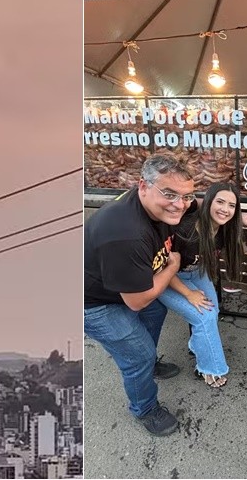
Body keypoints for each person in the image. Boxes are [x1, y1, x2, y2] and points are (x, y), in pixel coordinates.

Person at [84, 153, 194, 436]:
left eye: (187, 196)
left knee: (157, 312)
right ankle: (144, 408)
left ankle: (146, 364)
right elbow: (138, 300)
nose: (179, 204)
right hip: (93, 302)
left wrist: (238, 215)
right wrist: (173, 266)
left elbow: (191, 204)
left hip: (119, 286)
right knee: (138, 354)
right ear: (142, 186)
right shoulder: (126, 232)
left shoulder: (162, 206)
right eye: (169, 193)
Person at [157, 183, 247, 387]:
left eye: (231, 205)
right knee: (204, 317)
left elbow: (225, 252)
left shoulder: (224, 228)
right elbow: (164, 269)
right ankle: (210, 368)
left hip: (197, 272)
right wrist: (189, 294)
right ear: (208, 201)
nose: (225, 209)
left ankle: (199, 345)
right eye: (220, 202)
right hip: (169, 278)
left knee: (213, 309)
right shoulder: (186, 230)